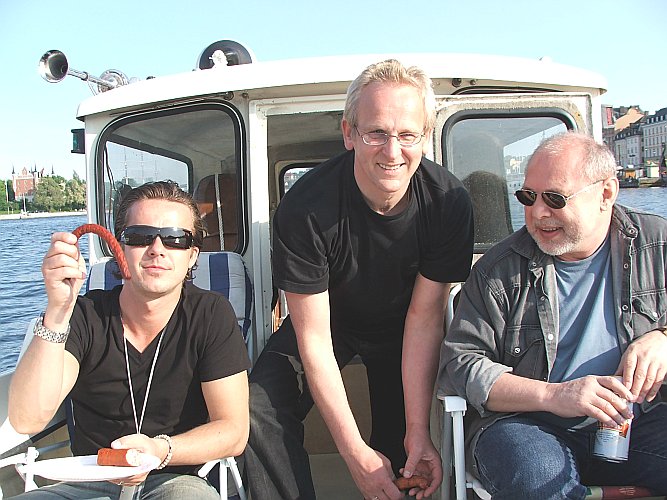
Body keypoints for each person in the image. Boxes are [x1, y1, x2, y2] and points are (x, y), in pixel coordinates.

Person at [244, 59, 474, 500]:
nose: (392, 152)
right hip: (330, 322)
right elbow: (314, 338)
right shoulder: (305, 208)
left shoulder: (448, 202)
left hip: (404, 325)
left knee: (404, 446)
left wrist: (418, 429)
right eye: (376, 133)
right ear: (349, 133)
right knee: (258, 407)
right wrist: (354, 455)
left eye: (407, 135)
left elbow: (425, 318)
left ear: (425, 137)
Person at [438, 131, 667, 499]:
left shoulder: (657, 244)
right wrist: (555, 396)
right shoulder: (498, 271)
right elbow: (462, 366)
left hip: (638, 425)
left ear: (606, 193)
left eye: (555, 199)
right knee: (539, 481)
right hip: (528, 426)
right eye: (528, 197)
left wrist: (663, 338)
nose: (538, 213)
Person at [9, 181, 250, 499]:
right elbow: (27, 419)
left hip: (173, 478)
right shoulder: (84, 316)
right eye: (140, 236)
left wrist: (159, 450)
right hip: (89, 479)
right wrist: (57, 311)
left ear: (192, 256)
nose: (157, 249)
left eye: (175, 239)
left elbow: (233, 430)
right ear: (119, 249)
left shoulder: (210, 315)